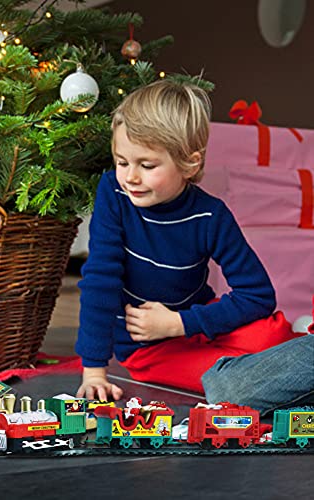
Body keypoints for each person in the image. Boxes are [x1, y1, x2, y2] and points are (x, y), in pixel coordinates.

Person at [75, 79, 297, 402]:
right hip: (148, 346)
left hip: (193, 323)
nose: (131, 177)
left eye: (146, 165)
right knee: (233, 382)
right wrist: (94, 371)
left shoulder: (211, 215)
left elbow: (259, 295)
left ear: (189, 163)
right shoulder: (114, 193)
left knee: (274, 333)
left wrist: (180, 323)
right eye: (122, 162)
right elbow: (99, 280)